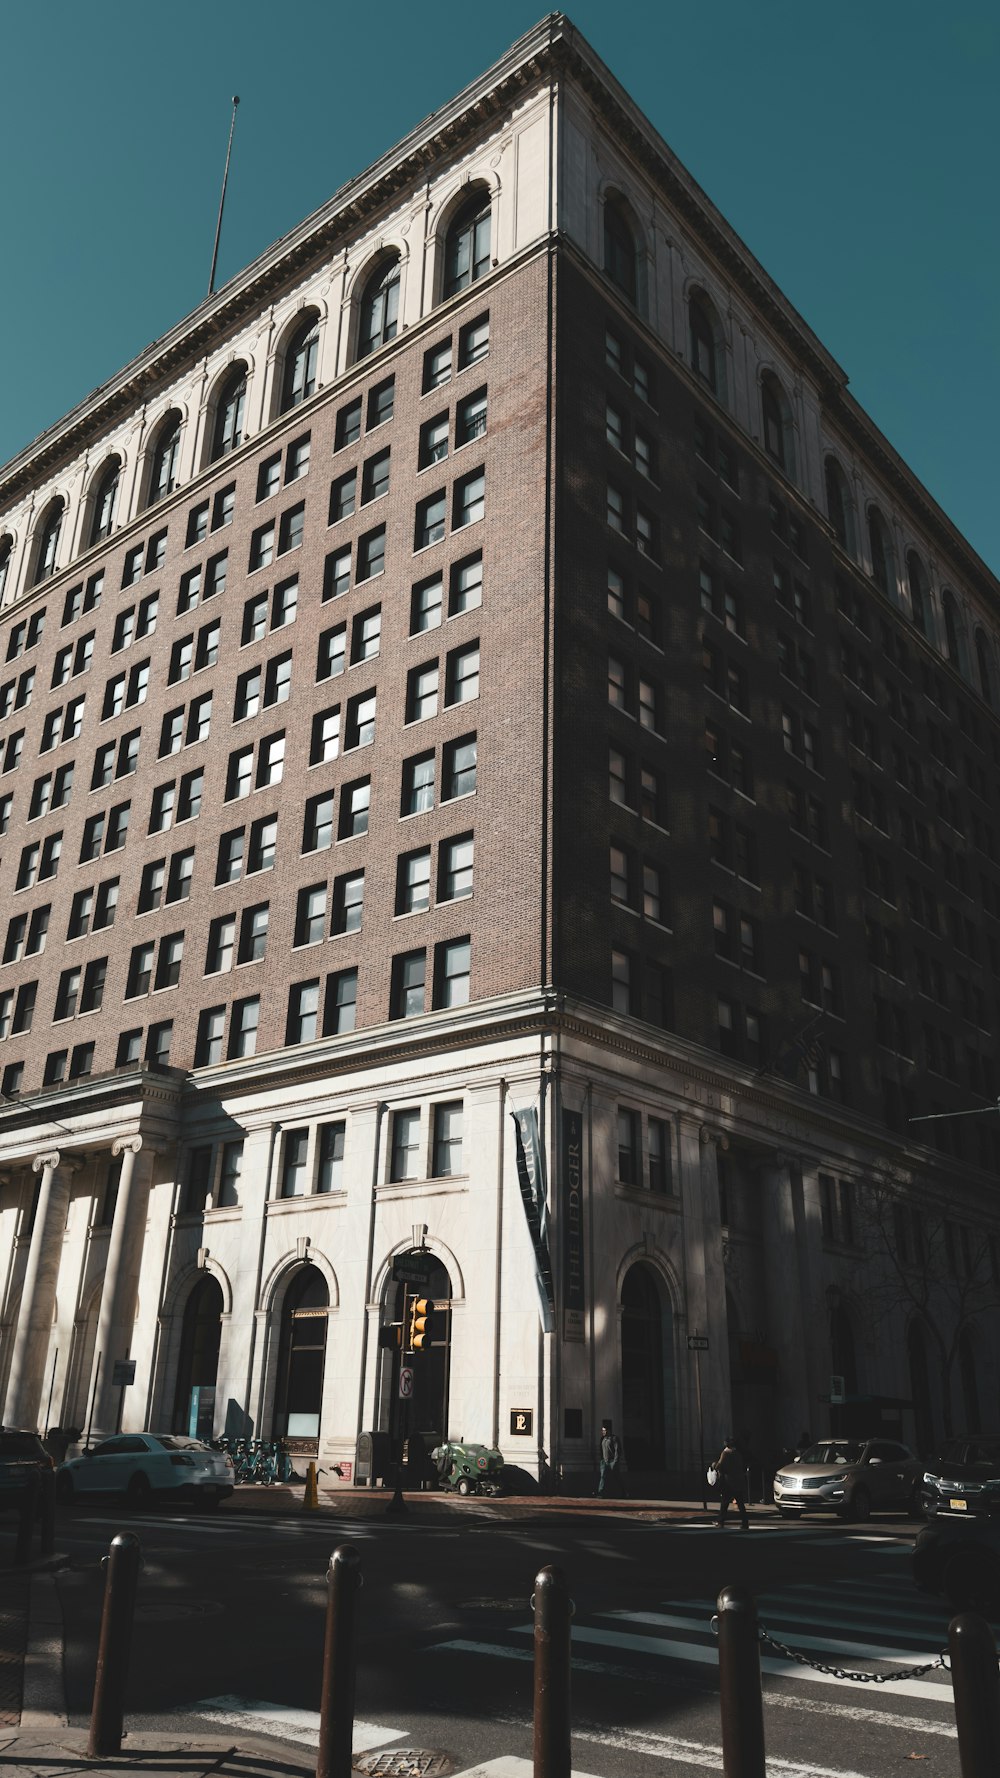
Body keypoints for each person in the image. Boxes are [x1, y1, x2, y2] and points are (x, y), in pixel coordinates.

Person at [714, 1437, 749, 1529]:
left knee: (724, 1503)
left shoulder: (725, 1453)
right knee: (741, 1504)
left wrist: (714, 1464)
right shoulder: (738, 1454)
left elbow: (719, 1466)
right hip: (739, 1481)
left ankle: (720, 1521)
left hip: (729, 1482)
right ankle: (745, 1523)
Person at [597, 1420, 621, 1496]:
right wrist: (602, 1460)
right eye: (602, 1430)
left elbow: (618, 1450)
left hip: (612, 1461)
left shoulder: (614, 1438)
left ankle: (623, 1492)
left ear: (609, 1430)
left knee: (617, 1477)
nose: (603, 1432)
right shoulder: (603, 1439)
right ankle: (600, 1492)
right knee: (602, 1477)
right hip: (604, 1461)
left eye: (604, 1430)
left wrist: (615, 1461)